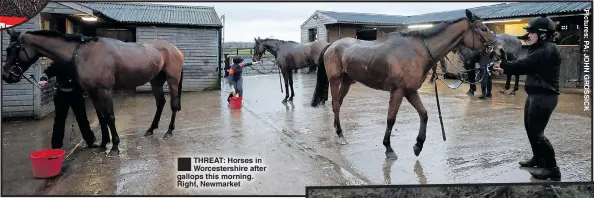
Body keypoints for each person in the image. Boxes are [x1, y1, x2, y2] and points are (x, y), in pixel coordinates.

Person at [492, 15, 561, 181]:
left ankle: (553, 169)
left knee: (538, 134)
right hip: (535, 94)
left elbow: (525, 65)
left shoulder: (548, 49)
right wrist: (504, 67)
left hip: (545, 96)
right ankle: (538, 159)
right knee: (530, 130)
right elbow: (525, 63)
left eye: (532, 32)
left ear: (543, 33)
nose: (528, 35)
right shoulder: (539, 47)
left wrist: (503, 66)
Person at [38, 61, 98, 149]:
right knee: (59, 121)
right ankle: (56, 146)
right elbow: (47, 72)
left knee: (82, 119)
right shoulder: (59, 61)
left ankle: (90, 141)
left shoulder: (78, 63)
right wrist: (43, 79)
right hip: (61, 94)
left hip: (76, 94)